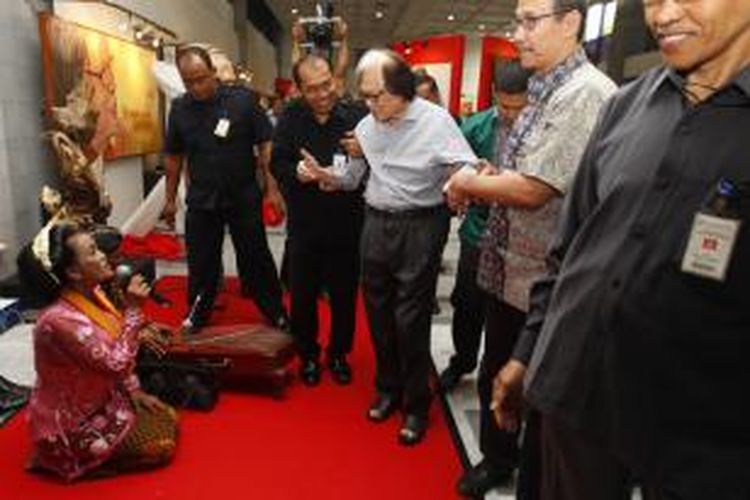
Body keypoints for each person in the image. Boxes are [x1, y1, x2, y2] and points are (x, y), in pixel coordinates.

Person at [491, 0, 750, 499]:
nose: (664, 15)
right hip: (576, 395)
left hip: (702, 433)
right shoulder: (624, 107)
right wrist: (529, 353)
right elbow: (570, 251)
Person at [444, 0, 616, 496]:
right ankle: (498, 460)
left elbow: (536, 189)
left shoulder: (582, 93)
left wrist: (467, 181)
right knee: (498, 373)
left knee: (534, 393)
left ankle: (524, 470)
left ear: (571, 22)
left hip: (546, 283)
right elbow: (527, 171)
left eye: (529, 21)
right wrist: (490, 175)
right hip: (510, 270)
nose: (516, 33)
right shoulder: (546, 87)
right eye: (516, 20)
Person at [297, 49, 477, 446]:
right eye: (365, 95)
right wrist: (327, 175)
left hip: (421, 223)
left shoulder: (435, 121)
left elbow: (462, 168)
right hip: (375, 221)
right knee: (377, 312)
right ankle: (388, 387)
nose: (369, 104)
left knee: (410, 320)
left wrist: (461, 183)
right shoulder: (367, 124)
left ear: (403, 91)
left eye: (377, 96)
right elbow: (355, 176)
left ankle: (416, 405)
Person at [25, 223, 177, 481]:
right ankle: (67, 459)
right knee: (161, 444)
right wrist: (133, 311)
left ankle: (103, 448)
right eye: (93, 251)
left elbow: (117, 341)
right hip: (71, 425)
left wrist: (135, 391)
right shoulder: (59, 320)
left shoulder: (93, 292)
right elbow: (115, 363)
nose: (104, 256)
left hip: (103, 402)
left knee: (168, 417)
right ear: (73, 271)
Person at [161, 46, 287, 333]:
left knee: (255, 255)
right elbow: (173, 156)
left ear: (213, 73)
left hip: (242, 194)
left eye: (201, 78)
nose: (196, 86)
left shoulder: (242, 101)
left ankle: (275, 310)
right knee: (201, 259)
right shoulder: (180, 109)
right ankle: (198, 311)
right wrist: (170, 199)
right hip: (202, 198)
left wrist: (272, 188)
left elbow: (265, 143)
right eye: (188, 81)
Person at [271, 55, 366, 386]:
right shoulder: (291, 117)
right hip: (305, 224)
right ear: (299, 89)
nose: (323, 93)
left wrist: (352, 168)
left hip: (347, 223)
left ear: (334, 78)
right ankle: (308, 355)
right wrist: (295, 172)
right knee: (302, 297)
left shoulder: (357, 115)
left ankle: (338, 354)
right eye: (313, 89)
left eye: (327, 84)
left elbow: (375, 167)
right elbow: (277, 162)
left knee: (343, 297)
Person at [439, 60, 531, 393]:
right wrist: (473, 178)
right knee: (467, 304)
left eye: (519, 107)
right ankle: (462, 360)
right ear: (493, 95)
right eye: (505, 106)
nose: (511, 114)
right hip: (478, 234)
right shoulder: (475, 127)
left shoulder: (541, 128)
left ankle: (503, 373)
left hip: (520, 238)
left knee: (507, 314)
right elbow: (451, 172)